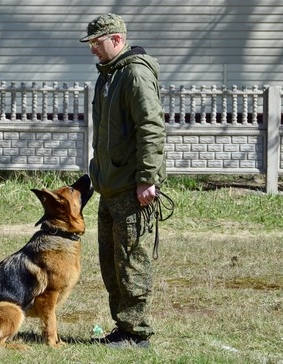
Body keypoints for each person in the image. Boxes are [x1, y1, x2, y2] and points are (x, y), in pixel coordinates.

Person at [79, 13, 167, 349]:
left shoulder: (134, 73)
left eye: (97, 44)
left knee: (132, 261)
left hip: (133, 188)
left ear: (116, 40)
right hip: (110, 186)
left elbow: (151, 127)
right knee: (111, 263)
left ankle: (137, 334)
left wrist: (148, 179)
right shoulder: (108, 76)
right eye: (91, 44)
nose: (93, 51)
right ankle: (123, 327)